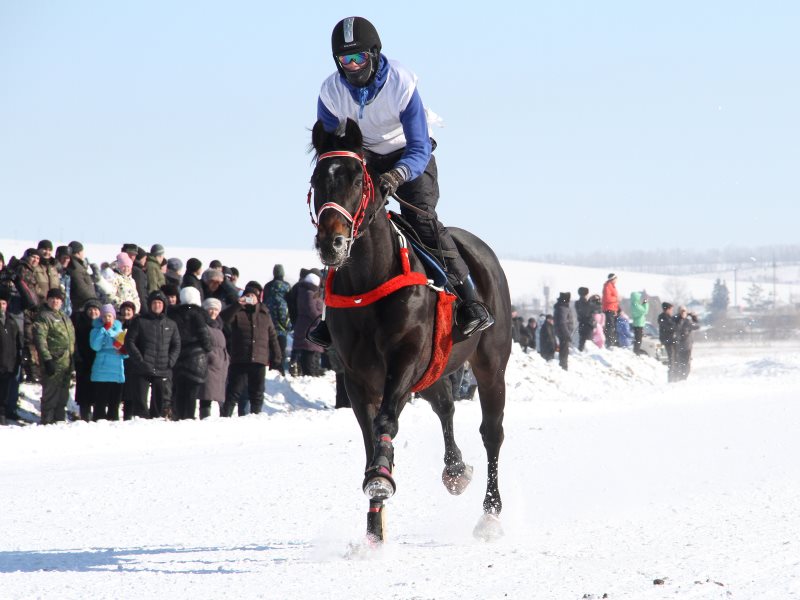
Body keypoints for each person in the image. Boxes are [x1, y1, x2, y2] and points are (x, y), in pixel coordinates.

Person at [309, 16, 493, 347]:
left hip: (409, 156)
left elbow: (420, 146)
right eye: (344, 60)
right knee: (342, 227)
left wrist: (398, 174)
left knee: (421, 219)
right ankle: (328, 315)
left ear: (374, 54)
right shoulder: (330, 92)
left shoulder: (400, 82)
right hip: (364, 161)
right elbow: (331, 148)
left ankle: (470, 300)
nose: (352, 67)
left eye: (359, 58)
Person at [220, 281, 282, 417]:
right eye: (247, 295)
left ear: (258, 298)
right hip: (240, 358)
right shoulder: (238, 312)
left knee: (257, 393)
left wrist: (277, 356)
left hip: (259, 360)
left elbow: (272, 336)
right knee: (233, 392)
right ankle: (225, 418)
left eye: (253, 296)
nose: (250, 298)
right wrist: (238, 304)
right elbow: (223, 319)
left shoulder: (265, 313)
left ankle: (256, 416)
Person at [124, 290, 181, 418]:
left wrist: (170, 361)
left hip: (162, 367)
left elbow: (176, 344)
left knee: (159, 405)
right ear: (150, 305)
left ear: (164, 305)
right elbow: (130, 341)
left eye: (160, 303)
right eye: (154, 303)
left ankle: (157, 422)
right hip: (142, 367)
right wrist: (139, 360)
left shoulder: (171, 324)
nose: (157, 305)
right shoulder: (139, 321)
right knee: (140, 403)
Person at [33, 288, 76, 424]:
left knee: (63, 395)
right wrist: (47, 359)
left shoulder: (64, 317)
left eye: (58, 299)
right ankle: (47, 421)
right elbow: (40, 339)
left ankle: (59, 420)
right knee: (50, 394)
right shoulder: (44, 316)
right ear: (48, 299)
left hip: (66, 362)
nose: (55, 301)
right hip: (53, 361)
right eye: (53, 298)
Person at [170, 287, 211, 420]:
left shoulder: (174, 314)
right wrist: (207, 348)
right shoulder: (199, 314)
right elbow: (204, 335)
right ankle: (189, 416)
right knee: (192, 391)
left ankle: (179, 415)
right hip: (196, 357)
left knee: (179, 389)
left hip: (178, 356)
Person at [89, 304, 127, 420]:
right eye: (105, 316)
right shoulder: (96, 330)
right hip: (102, 369)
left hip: (116, 369)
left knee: (114, 402)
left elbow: (126, 351)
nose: (107, 319)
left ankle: (113, 421)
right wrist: (103, 331)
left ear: (114, 317)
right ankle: (98, 421)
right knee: (100, 401)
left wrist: (124, 351)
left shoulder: (120, 331)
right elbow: (95, 346)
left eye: (109, 316)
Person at [72, 298, 102, 421]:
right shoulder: (79, 322)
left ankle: (97, 418)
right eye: (91, 309)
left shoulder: (102, 324)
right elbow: (74, 341)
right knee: (84, 393)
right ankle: (85, 417)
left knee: (97, 392)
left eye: (96, 309)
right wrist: (77, 357)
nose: (93, 312)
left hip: (98, 363)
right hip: (83, 362)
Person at [199, 297, 229, 419]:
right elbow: (204, 344)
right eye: (211, 309)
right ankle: (205, 418)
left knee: (215, 395)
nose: (213, 312)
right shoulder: (204, 326)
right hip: (210, 365)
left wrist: (227, 359)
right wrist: (213, 357)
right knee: (206, 395)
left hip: (220, 367)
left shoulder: (219, 327)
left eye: (216, 310)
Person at [291, 272, 325, 376]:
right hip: (309, 328)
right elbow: (311, 310)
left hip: (310, 328)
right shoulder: (309, 293)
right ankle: (309, 373)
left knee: (312, 353)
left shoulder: (309, 292)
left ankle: (312, 372)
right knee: (308, 354)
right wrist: (322, 319)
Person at [263, 264, 291, 375]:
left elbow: (264, 302)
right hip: (283, 323)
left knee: (271, 347)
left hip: (268, 322)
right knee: (281, 349)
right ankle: (281, 369)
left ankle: (272, 368)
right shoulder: (287, 286)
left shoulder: (267, 286)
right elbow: (291, 304)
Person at [0, 289, 22, 426]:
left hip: (8, 365)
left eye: (3, 303)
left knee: (4, 394)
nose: (1, 306)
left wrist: (16, 362)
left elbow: (17, 344)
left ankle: (2, 415)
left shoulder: (11, 322)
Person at [65, 241, 97, 313]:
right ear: (79, 252)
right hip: (82, 305)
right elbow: (80, 287)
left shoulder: (78, 265)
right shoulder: (75, 267)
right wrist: (92, 300)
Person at [674, 307, 700, 381]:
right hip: (684, 345)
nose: (683, 313)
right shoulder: (685, 321)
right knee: (683, 362)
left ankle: (682, 376)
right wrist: (694, 317)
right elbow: (697, 326)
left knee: (683, 362)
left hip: (683, 345)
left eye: (684, 311)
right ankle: (682, 376)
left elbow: (697, 326)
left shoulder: (678, 320)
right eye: (682, 311)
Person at [553, 292, 574, 370]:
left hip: (562, 332)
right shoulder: (562, 308)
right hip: (563, 333)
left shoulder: (561, 307)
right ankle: (563, 366)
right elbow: (562, 322)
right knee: (564, 350)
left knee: (564, 349)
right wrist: (567, 334)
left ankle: (563, 365)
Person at [658, 302, 678, 382]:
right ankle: (671, 378)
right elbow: (669, 327)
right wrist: (676, 327)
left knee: (675, 358)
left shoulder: (669, 317)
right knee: (671, 359)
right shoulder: (662, 317)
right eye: (671, 309)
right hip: (668, 340)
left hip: (672, 340)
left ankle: (675, 376)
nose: (672, 311)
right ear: (667, 309)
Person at [601, 273, 619, 348]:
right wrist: (616, 299)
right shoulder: (608, 286)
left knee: (612, 326)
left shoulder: (612, 286)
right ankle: (609, 342)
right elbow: (607, 298)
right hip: (608, 309)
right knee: (610, 326)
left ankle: (612, 342)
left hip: (612, 309)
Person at [575, 287, 594, 351]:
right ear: (586, 294)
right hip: (587, 325)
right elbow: (588, 313)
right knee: (587, 344)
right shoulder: (586, 303)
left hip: (582, 324)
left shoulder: (577, 303)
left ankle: (580, 352)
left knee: (582, 341)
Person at [630, 291, 648, 355]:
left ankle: (636, 350)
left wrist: (643, 304)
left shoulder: (634, 304)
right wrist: (645, 303)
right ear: (636, 298)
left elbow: (642, 310)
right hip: (638, 324)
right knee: (638, 338)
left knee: (638, 338)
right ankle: (636, 351)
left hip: (638, 323)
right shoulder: (635, 305)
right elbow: (644, 311)